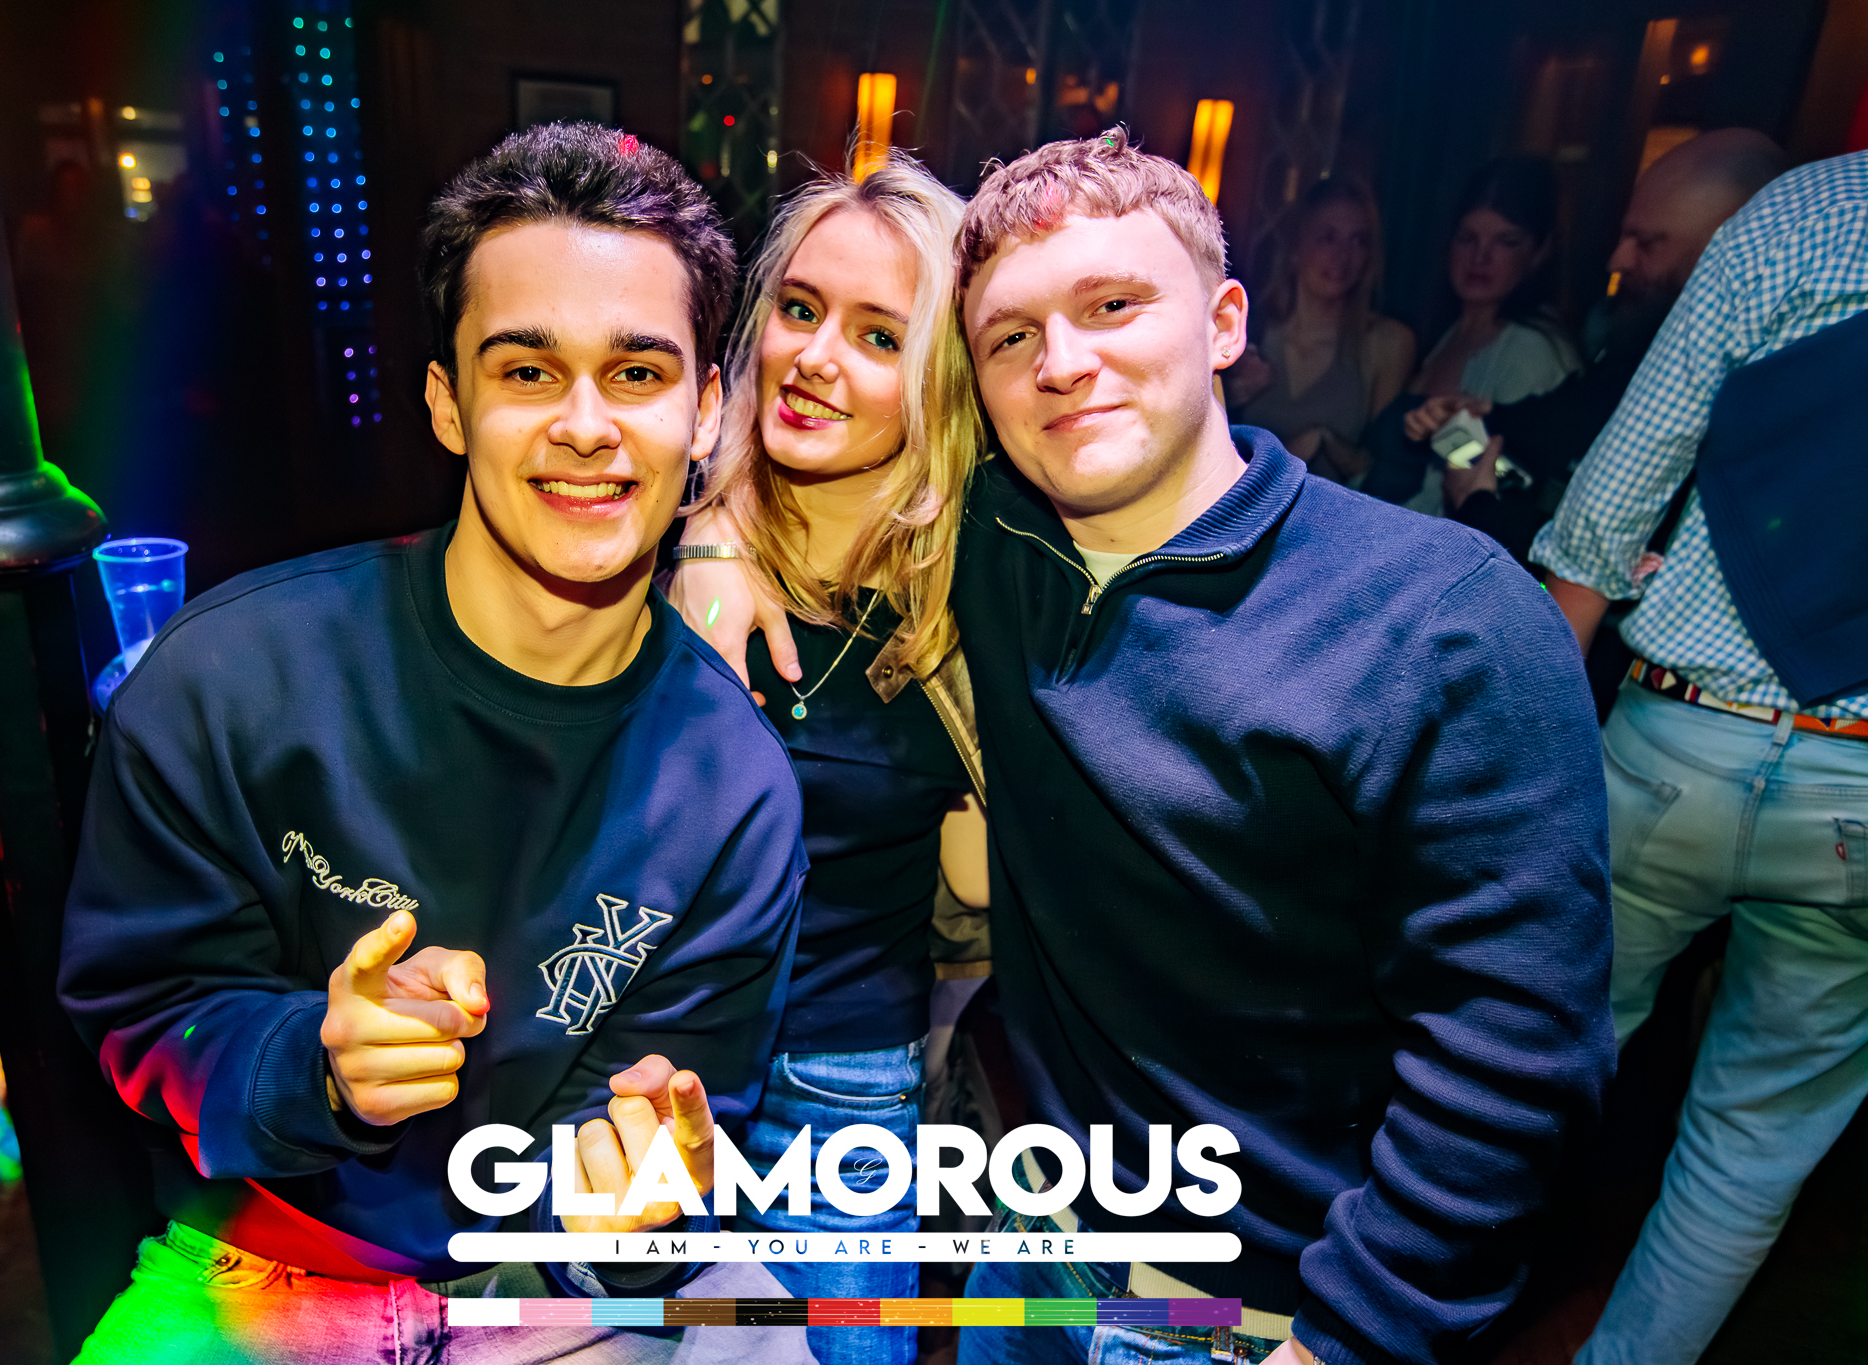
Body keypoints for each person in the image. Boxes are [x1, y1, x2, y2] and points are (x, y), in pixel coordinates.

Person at [689, 128, 1614, 1365]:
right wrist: (713, 533)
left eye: (1111, 306)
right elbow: (818, 470)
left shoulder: (1441, 621)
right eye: (1010, 337)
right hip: (1030, 1258)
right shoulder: (991, 554)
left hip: (1255, 1316)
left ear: (1224, 323)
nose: (1062, 362)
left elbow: (1513, 1065)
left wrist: (1351, 1336)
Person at [57, 123, 806, 1364]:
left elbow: (677, 1124)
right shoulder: (232, 679)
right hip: (270, 1260)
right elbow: (146, 1005)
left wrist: (632, 1213)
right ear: (447, 403)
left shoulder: (732, 788)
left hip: (552, 1287)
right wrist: (314, 1061)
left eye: (635, 372)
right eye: (527, 371)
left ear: (706, 412)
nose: (584, 425)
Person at [1531, 150, 1868, 1365]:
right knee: (1746, 1153)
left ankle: (1359, 1328)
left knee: (1518, 1064)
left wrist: (1525, 759)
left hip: (1680, 738)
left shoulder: (1816, 208)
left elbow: (1615, 495)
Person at [669, 151, 989, 1365]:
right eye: (798, 310)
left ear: (938, 382)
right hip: (638, 1066)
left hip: (841, 1079)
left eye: (876, 336)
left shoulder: (969, 600)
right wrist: (708, 531)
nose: (812, 356)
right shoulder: (656, 535)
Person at [1402, 130, 1787, 565]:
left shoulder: (1743, 414)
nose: (1617, 261)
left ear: (1727, 253)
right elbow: (1557, 422)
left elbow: (1578, 573)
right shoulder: (1634, 369)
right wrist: (1464, 420)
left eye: (1646, 243)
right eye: (1467, 238)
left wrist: (1478, 507)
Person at [1372, 157, 1581, 511]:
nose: (1480, 257)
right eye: (1467, 238)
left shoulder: (1531, 352)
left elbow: (1508, 486)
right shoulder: (1451, 332)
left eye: (1506, 241)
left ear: (1539, 250)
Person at [1224, 176, 1414, 485]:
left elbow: (1385, 472)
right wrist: (1229, 397)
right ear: (1295, 246)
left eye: (1358, 241)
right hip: (1245, 505)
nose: (1342, 256)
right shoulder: (1247, 330)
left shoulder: (1387, 343)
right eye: (1328, 238)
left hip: (1329, 510)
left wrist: (1326, 442)